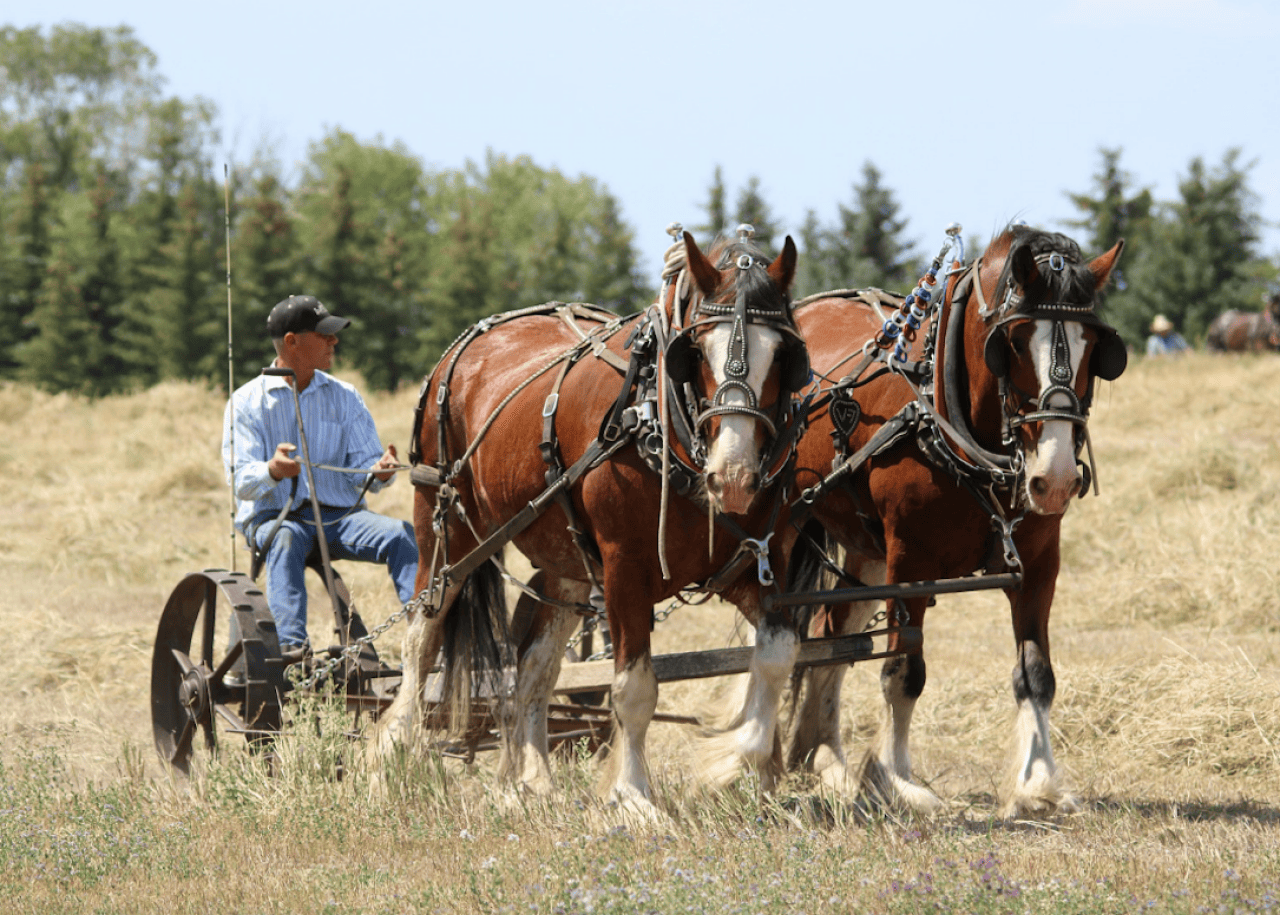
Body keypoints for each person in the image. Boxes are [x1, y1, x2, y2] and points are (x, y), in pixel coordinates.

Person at [221, 294, 418, 657]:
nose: (334, 341)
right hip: (273, 518)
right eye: (324, 334)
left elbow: (365, 474)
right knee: (286, 538)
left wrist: (379, 471)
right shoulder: (246, 402)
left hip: (339, 518)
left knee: (402, 536)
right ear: (292, 342)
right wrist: (272, 470)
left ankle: (427, 639)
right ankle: (292, 650)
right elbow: (240, 481)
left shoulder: (345, 397)